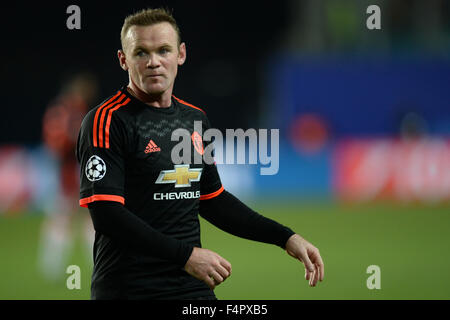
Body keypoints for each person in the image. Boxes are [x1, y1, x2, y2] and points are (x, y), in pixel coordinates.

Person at [76, 8, 324, 300]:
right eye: (141, 52)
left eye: (163, 50)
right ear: (123, 59)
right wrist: (186, 256)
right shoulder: (107, 120)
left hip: (191, 288)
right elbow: (107, 215)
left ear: (181, 54)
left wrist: (285, 237)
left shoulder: (194, 120)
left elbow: (213, 200)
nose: (154, 62)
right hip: (129, 289)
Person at [38, 72, 98, 281]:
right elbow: (71, 140)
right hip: (73, 170)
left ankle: (52, 266)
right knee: (82, 218)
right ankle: (58, 265)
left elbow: (51, 141)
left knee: (65, 218)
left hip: (65, 169)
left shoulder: (58, 108)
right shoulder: (73, 109)